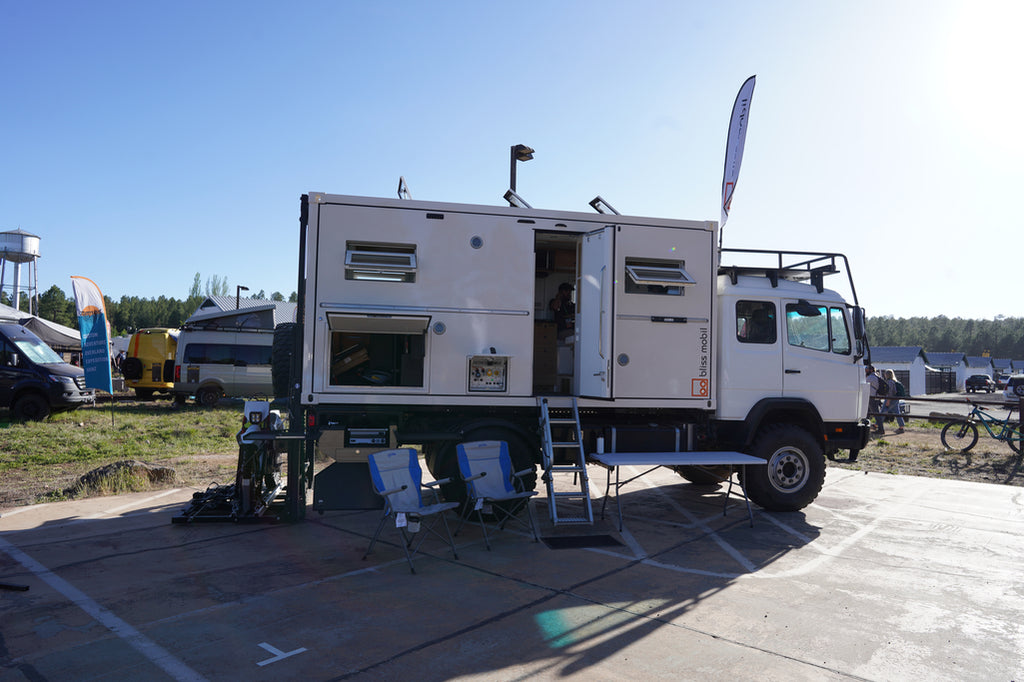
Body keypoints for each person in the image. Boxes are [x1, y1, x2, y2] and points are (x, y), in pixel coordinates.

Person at [883, 369, 906, 434]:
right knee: (897, 412)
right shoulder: (894, 381)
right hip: (895, 399)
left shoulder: (890, 382)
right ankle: (901, 427)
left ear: (887, 375)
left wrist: (888, 400)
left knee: (883, 411)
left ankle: (877, 425)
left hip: (890, 399)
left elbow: (890, 392)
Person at [866, 365, 884, 435]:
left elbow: (864, 383)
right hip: (875, 397)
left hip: (872, 397)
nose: (866, 371)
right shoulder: (877, 376)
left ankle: (881, 429)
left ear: (871, 370)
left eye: (867, 369)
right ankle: (866, 428)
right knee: (868, 413)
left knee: (876, 414)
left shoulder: (871, 377)